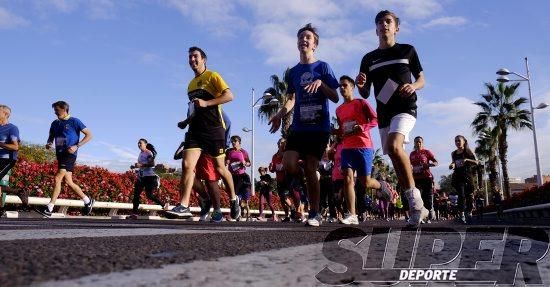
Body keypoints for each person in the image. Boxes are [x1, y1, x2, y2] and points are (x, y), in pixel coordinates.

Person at [355, 10, 428, 226]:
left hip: (406, 107)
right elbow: (365, 93)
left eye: (388, 21)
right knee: (395, 158)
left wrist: (413, 86)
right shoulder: (368, 59)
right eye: (380, 22)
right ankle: (417, 208)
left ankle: (416, 202)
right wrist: (360, 85)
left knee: (396, 147)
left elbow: (422, 79)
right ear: (376, 29)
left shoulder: (408, 50)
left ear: (396, 27)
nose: (384, 25)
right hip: (384, 113)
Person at [268, 23, 339, 227]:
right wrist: (280, 114)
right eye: (300, 37)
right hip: (299, 127)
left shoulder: (323, 67)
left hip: (319, 128)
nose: (303, 40)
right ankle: (311, 180)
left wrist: (322, 85)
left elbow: (335, 97)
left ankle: (314, 213)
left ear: (314, 44)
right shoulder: (294, 72)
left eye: (308, 37)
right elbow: (291, 99)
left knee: (309, 167)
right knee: (290, 164)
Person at [167, 46, 240, 220]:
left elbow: (230, 96)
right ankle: (184, 205)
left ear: (204, 59)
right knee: (186, 165)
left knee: (220, 169)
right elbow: (194, 108)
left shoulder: (212, 76)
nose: (192, 60)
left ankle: (234, 198)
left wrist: (207, 104)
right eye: (190, 57)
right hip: (195, 131)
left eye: (195, 56)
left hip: (214, 129)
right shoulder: (190, 85)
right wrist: (185, 122)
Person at [335, 75, 395, 225]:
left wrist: (363, 127)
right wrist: (335, 132)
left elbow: (376, 119)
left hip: (364, 146)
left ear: (352, 87)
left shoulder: (361, 103)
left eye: (345, 85)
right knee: (348, 178)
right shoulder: (339, 109)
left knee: (366, 182)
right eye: (340, 86)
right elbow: (343, 130)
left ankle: (382, 185)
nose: (342, 88)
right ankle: (352, 214)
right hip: (347, 147)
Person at [37, 101, 93, 218]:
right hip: (60, 154)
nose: (55, 112)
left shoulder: (75, 121)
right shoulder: (54, 123)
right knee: (68, 182)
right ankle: (87, 200)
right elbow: (51, 135)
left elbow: (89, 135)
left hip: (70, 154)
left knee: (58, 178)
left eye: (57, 110)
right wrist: (49, 143)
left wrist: (76, 146)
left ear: (64, 109)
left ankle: (50, 208)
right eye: (54, 110)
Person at [128, 139, 168, 219]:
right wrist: (135, 167)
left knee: (149, 195)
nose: (139, 144)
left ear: (145, 144)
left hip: (150, 177)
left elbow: (152, 164)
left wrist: (141, 165)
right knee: (136, 195)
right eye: (138, 143)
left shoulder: (148, 152)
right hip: (141, 177)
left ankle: (163, 204)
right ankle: (134, 213)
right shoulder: (141, 153)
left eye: (141, 143)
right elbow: (141, 165)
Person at [0, 105, 29, 216]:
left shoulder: (12, 128)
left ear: (5, 114)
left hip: (6, 160)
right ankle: (19, 192)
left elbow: (15, 147)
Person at [449, 135, 478, 224]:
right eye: (456, 141)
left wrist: (467, 160)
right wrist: (452, 165)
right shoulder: (453, 153)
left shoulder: (469, 151)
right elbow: (454, 162)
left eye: (459, 141)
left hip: (468, 176)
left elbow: (476, 162)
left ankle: (469, 212)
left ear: (464, 141)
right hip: (458, 176)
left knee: (469, 195)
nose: (457, 143)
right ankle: (462, 214)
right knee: (461, 195)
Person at [409, 136, 438, 223]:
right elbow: (409, 165)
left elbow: (436, 162)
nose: (418, 143)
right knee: (418, 198)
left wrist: (428, 165)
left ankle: (429, 216)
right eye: (416, 142)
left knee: (427, 197)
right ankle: (421, 216)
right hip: (416, 179)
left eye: (420, 142)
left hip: (426, 178)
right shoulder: (412, 154)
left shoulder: (426, 152)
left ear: (422, 143)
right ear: (414, 143)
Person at [226, 135, 252, 221]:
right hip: (232, 176)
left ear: (239, 142)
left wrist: (245, 163)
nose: (233, 143)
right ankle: (236, 214)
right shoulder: (228, 151)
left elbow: (249, 163)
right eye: (232, 141)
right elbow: (224, 161)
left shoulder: (243, 152)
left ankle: (240, 213)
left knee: (239, 197)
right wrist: (226, 161)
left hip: (242, 176)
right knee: (232, 196)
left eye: (235, 141)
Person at [269, 138, 293, 222]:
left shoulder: (287, 154)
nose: (281, 144)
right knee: (282, 199)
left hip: (287, 178)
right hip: (279, 179)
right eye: (280, 142)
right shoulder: (274, 156)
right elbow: (273, 169)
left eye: (283, 143)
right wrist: (271, 168)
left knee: (284, 195)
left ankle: (293, 209)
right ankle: (287, 215)